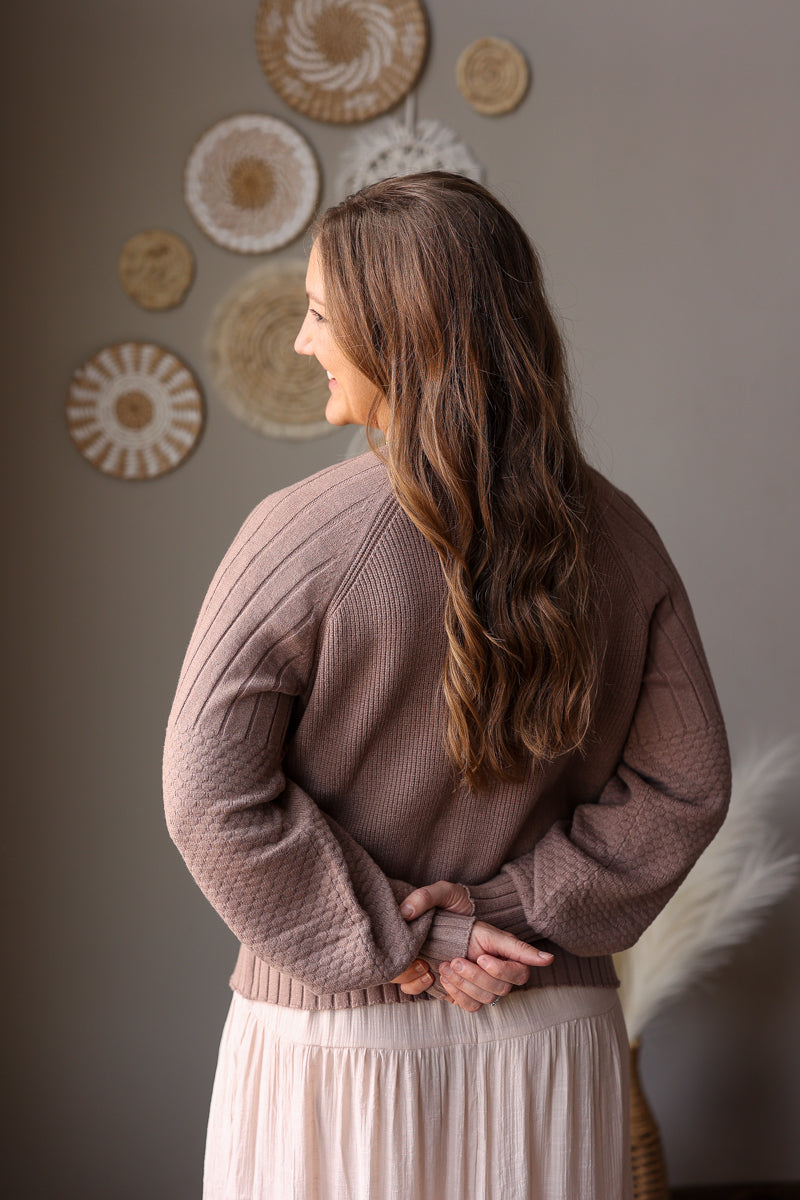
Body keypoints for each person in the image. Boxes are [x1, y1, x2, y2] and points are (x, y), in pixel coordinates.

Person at [163, 172, 731, 1200]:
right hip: (548, 1036)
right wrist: (502, 911)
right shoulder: (620, 536)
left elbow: (208, 797)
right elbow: (683, 787)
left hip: (337, 1051)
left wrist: (410, 935)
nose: (301, 341)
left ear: (398, 333)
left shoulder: (300, 536)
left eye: (318, 315)